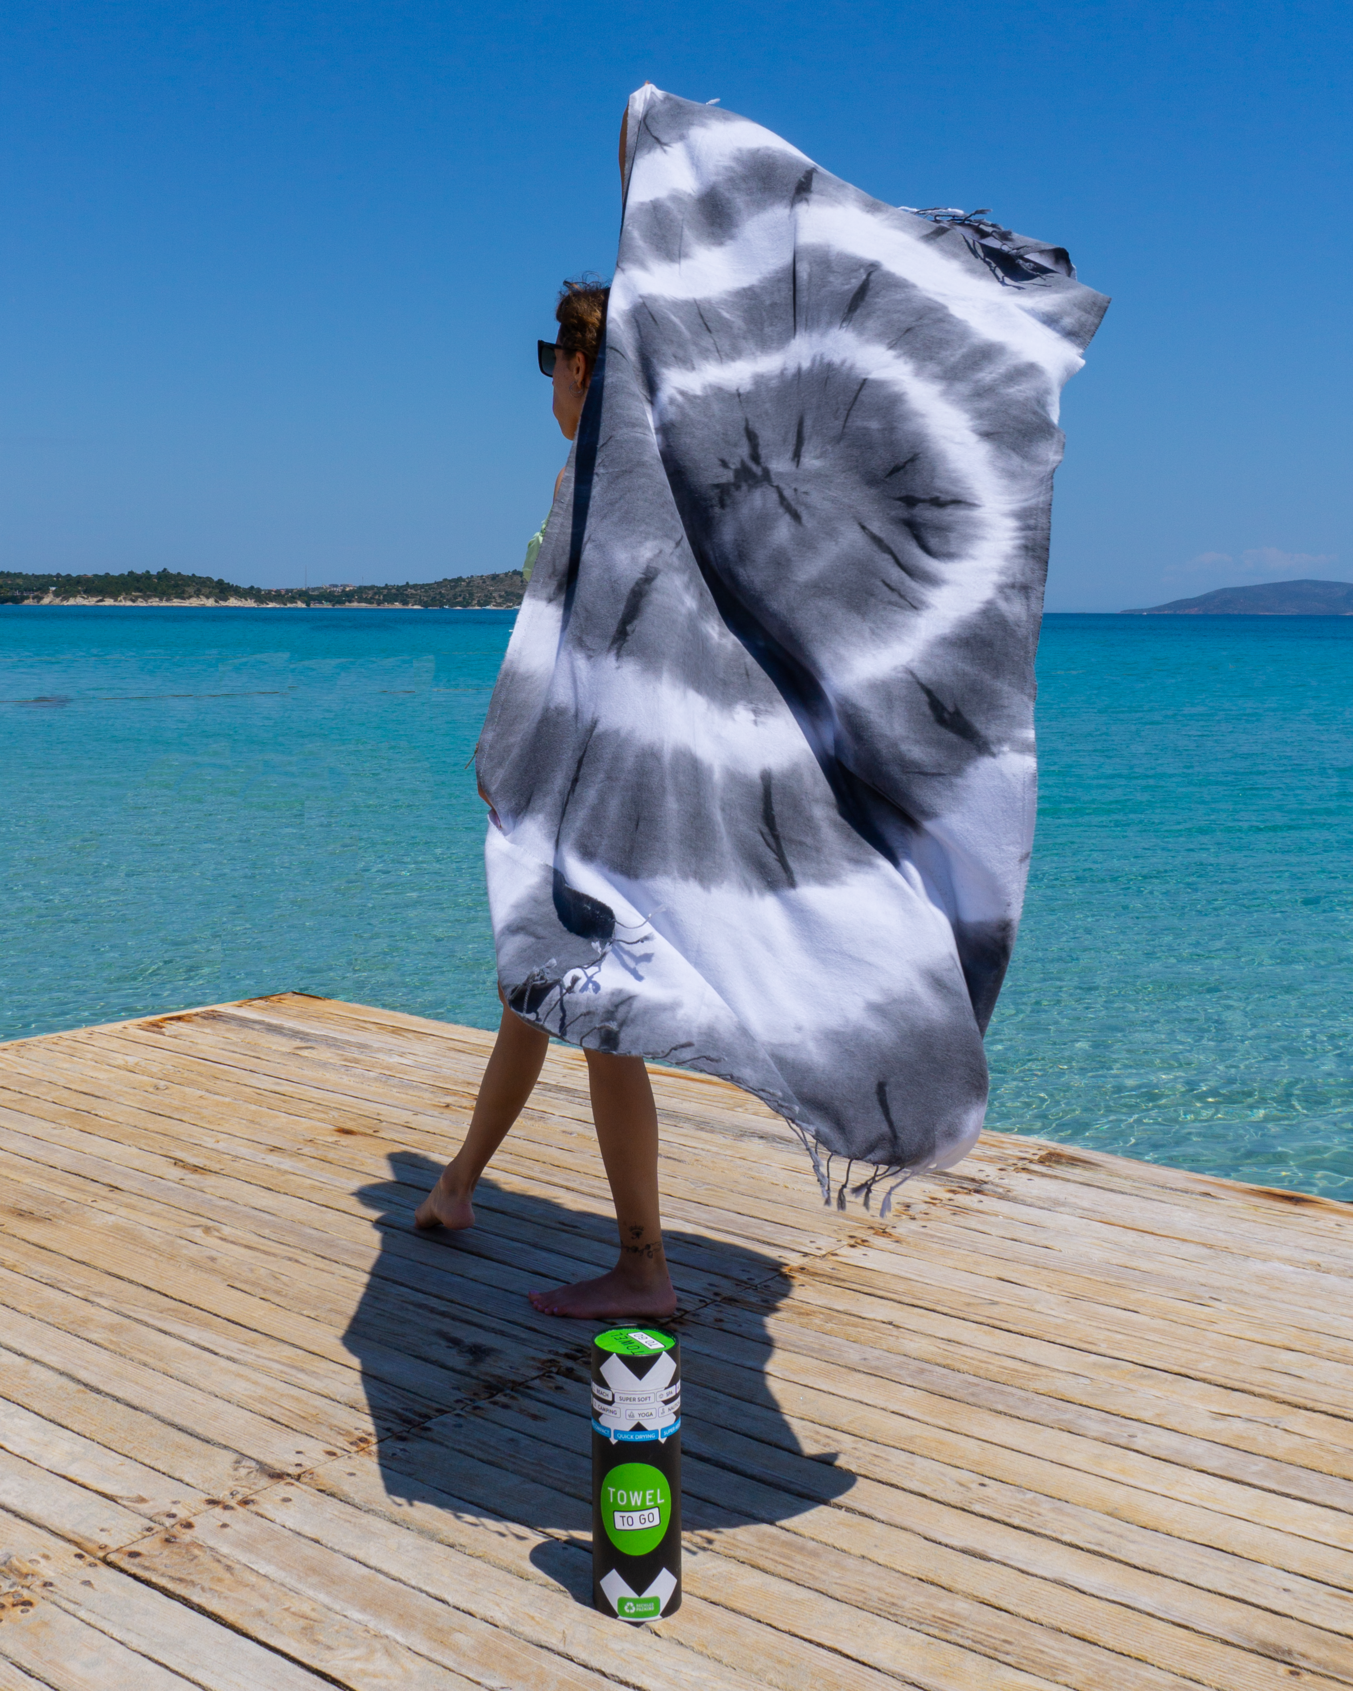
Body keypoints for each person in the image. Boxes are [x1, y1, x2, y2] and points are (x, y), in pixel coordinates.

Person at [414, 277, 677, 1322]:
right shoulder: (629, 483)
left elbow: (577, 654)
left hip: (593, 790)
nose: (550, 381)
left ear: (577, 364)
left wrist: (513, 757)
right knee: (535, 984)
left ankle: (644, 1262)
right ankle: (456, 1185)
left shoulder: (599, 481)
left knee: (598, 1011)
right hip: (604, 782)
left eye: (549, 360)